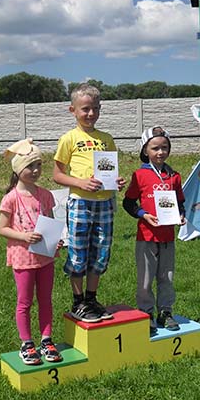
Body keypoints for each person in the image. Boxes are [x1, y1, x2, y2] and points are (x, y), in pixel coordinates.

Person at [53, 84, 126, 323]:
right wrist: (81, 183)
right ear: (72, 110)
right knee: (78, 252)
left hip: (105, 203)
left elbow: (110, 172)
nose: (91, 113)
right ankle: (78, 302)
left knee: (101, 252)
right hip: (80, 203)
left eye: (95, 108)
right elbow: (57, 175)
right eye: (85, 109)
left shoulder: (106, 139)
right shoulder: (69, 139)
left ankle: (91, 299)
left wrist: (116, 181)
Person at [0, 138, 63, 365]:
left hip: (45, 257)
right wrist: (24, 237)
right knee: (24, 302)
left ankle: (46, 340)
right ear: (18, 170)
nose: (36, 171)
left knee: (46, 299)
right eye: (30, 166)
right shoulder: (10, 199)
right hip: (22, 258)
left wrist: (56, 240)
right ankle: (26, 343)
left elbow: (51, 222)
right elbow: (2, 228)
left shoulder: (46, 195)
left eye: (38, 165)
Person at [123, 127, 185, 335]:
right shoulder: (140, 175)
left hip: (167, 237)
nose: (160, 152)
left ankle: (165, 312)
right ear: (145, 150)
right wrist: (143, 214)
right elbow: (128, 203)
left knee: (167, 277)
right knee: (146, 278)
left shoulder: (174, 176)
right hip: (146, 236)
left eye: (164, 148)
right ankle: (146, 313)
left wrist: (181, 215)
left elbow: (180, 202)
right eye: (155, 148)